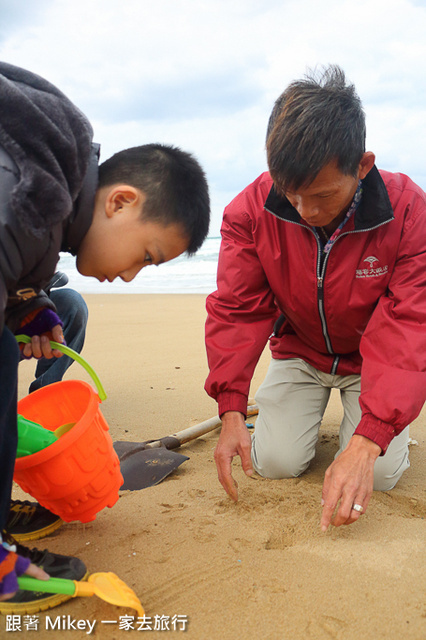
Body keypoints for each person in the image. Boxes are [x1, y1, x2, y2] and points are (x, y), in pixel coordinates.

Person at [0, 61, 210, 610]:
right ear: (119, 202)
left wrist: (27, 302)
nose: (131, 276)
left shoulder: (45, 181)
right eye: (145, 256)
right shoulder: (22, 197)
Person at [205, 65, 425, 535]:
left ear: (362, 166)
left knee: (382, 476)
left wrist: (370, 441)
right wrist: (231, 408)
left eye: (321, 195)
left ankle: (375, 429)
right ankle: (293, 418)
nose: (304, 212)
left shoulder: (409, 211)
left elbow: (410, 324)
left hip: (370, 361)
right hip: (300, 353)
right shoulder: (251, 210)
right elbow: (238, 309)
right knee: (275, 463)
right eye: (291, 194)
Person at [5, 272, 89, 547]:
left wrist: (36, 309)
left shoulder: (36, 235)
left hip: (15, 306)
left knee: (70, 303)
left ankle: (44, 394)